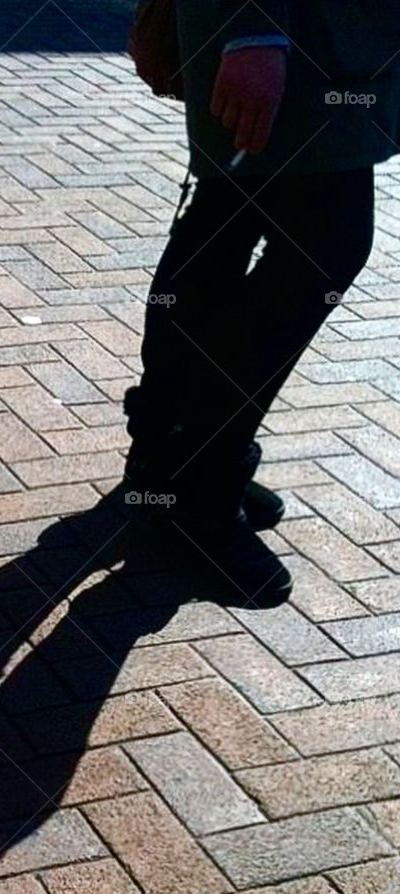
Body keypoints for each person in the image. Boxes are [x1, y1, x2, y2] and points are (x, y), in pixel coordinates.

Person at [125, 0, 400, 604]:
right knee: (325, 247)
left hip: (303, 36)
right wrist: (254, 28)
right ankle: (199, 489)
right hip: (294, 38)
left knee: (220, 229)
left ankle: (162, 461)